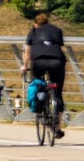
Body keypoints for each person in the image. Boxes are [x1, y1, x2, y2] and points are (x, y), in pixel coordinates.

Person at [20, 11, 67, 139]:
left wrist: (24, 66)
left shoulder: (33, 32)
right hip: (57, 62)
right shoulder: (56, 30)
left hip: (38, 62)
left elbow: (28, 52)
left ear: (35, 24)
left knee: (37, 84)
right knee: (57, 93)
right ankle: (57, 127)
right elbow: (58, 47)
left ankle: (41, 109)